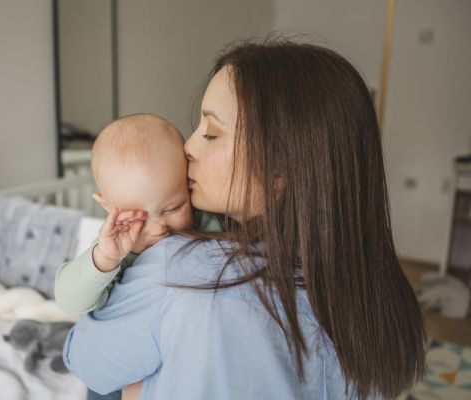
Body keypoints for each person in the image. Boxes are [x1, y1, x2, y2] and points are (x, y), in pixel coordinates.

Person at [62, 37, 427, 399]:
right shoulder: (375, 292)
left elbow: (85, 360)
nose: (187, 147)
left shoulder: (183, 270)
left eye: (211, 133)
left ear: (280, 171)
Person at [54, 113, 221, 400]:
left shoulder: (208, 224)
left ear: (188, 182)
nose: (159, 228)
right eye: (139, 218)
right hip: (114, 370)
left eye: (173, 207)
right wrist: (104, 259)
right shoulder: (115, 247)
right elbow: (69, 300)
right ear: (108, 206)